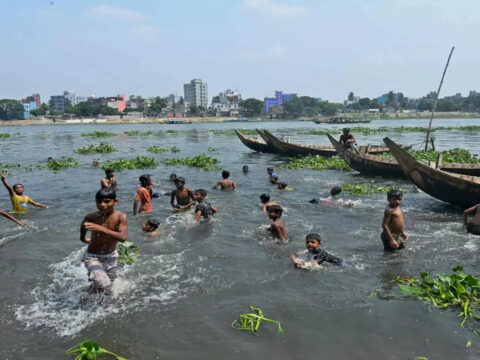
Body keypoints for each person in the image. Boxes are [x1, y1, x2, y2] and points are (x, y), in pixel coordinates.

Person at [80, 188, 128, 293]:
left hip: (111, 256)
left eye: (107, 201)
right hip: (92, 256)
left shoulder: (121, 216)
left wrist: (100, 228)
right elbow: (84, 225)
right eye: (99, 202)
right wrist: (83, 238)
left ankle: (87, 295)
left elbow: (122, 237)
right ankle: (102, 307)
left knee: (111, 283)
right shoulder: (91, 216)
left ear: (115, 202)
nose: (102, 204)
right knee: (104, 284)